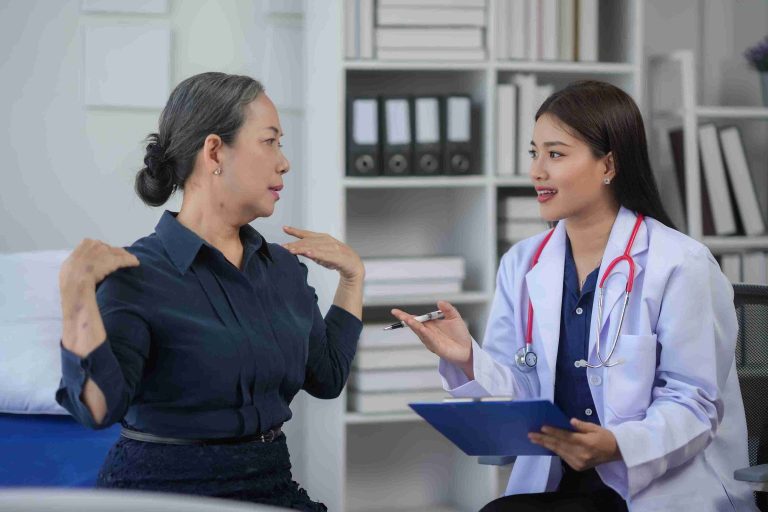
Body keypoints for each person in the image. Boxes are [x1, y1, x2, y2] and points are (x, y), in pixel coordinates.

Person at [391, 81, 755, 511]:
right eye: (534, 153)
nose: (536, 171)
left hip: (655, 487)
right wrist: (468, 358)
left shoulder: (681, 264)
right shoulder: (522, 263)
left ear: (609, 164)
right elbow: (522, 396)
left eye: (556, 154)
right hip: (560, 482)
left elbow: (694, 406)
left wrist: (617, 444)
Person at [56, 72, 364, 511]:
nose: (284, 163)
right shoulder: (136, 274)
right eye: (270, 141)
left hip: (271, 488)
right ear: (215, 151)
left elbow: (328, 378)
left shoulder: (283, 270)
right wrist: (75, 295)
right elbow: (97, 408)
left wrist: (353, 279)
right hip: (161, 497)